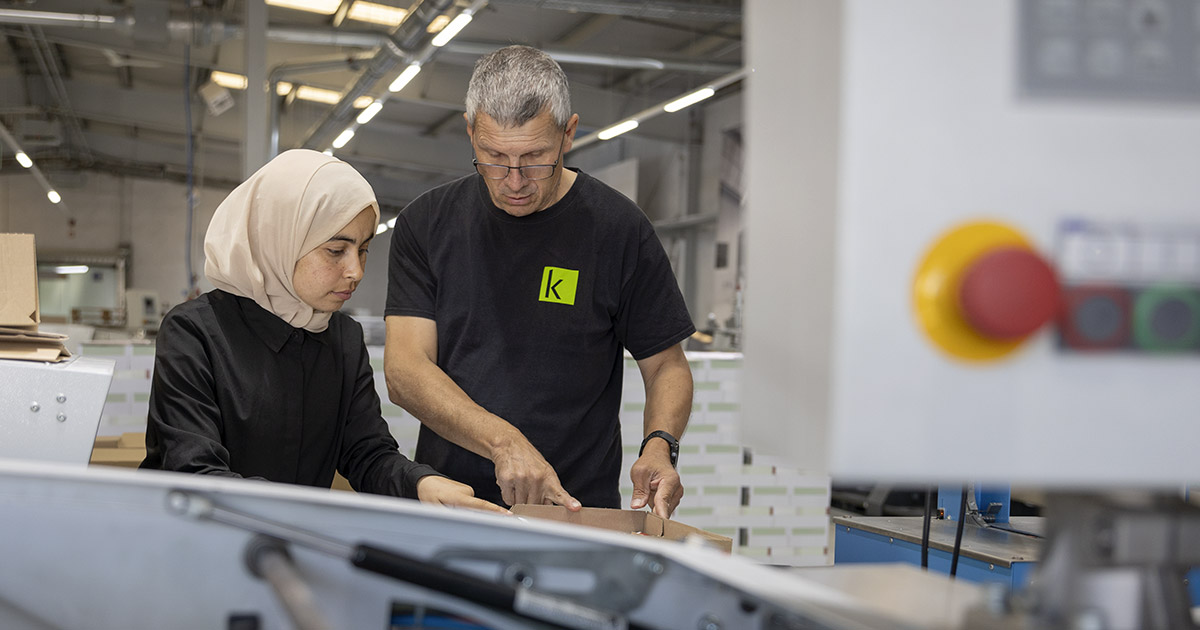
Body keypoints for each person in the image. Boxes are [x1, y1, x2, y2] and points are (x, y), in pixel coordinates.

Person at [384, 46, 695, 518]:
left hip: (574, 510)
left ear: (568, 133)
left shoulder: (618, 230)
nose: (514, 180)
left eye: (534, 158)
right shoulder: (426, 224)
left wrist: (659, 445)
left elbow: (666, 366)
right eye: (493, 157)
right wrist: (503, 442)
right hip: (452, 502)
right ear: (470, 133)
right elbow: (405, 371)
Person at [141, 149, 505, 514]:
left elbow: (366, 453)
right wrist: (309, 518)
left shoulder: (342, 339)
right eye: (335, 250)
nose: (356, 271)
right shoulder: (195, 333)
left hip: (287, 544)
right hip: (196, 544)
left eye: (363, 250)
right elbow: (195, 473)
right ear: (280, 241)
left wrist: (422, 484)